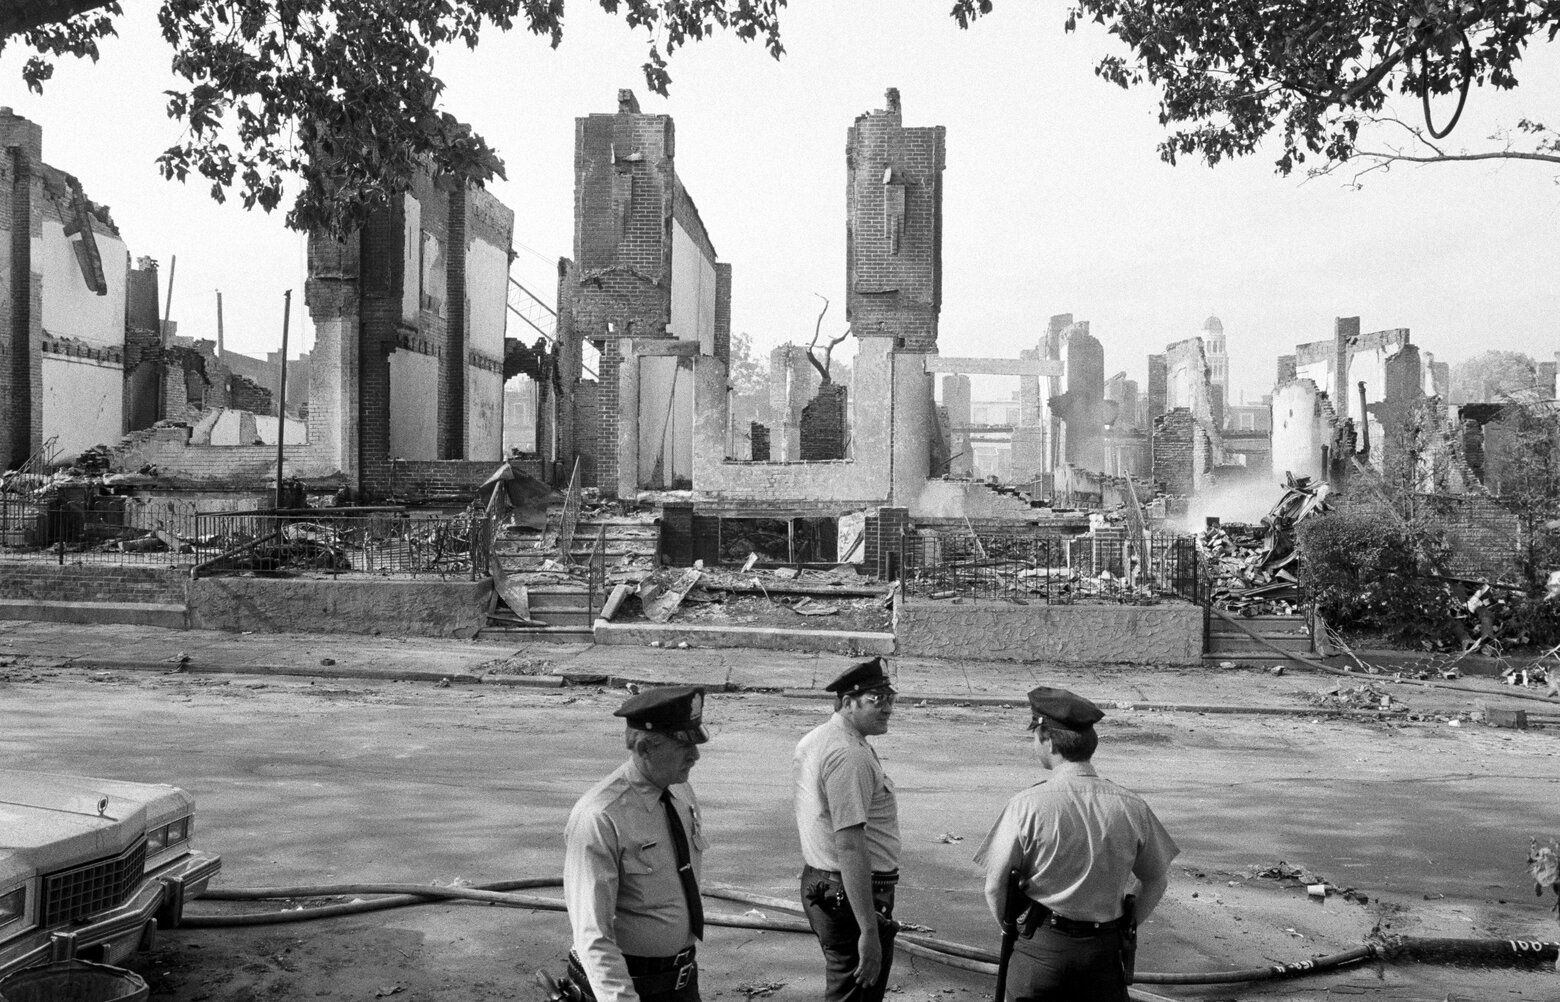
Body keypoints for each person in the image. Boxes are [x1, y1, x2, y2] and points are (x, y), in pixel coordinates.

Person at [975, 686, 1179, 1002]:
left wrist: (1015, 933)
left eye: (1035, 734)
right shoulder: (1131, 805)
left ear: (1045, 737)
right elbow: (1155, 879)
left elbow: (994, 886)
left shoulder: (1026, 805)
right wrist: (1125, 926)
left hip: (1041, 950)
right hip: (1103, 955)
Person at [563, 685, 710, 1002]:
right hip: (627, 987)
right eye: (683, 745)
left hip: (680, 982)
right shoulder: (599, 817)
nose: (695, 755)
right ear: (645, 749)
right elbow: (593, 934)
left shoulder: (680, 792)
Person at [792, 656, 901, 1002]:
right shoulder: (848, 755)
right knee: (855, 994)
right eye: (877, 700)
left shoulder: (818, 739)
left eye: (890, 699)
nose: (887, 709)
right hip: (852, 895)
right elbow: (850, 845)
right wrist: (868, 931)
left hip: (826, 883)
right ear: (848, 703)